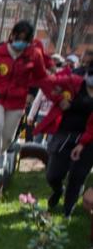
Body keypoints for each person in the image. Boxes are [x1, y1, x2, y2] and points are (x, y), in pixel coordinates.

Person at [0, 20, 48, 174]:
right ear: (12, 35)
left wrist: (31, 93)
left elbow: (40, 76)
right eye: (18, 37)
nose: (20, 42)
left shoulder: (34, 55)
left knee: (8, 137)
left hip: (18, 100)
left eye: (25, 39)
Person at [35, 69, 93, 216]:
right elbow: (46, 81)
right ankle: (57, 190)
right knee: (53, 174)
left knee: (77, 176)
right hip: (65, 133)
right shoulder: (74, 82)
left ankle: (67, 210)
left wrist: (83, 143)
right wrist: (59, 98)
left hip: (89, 139)